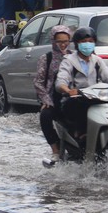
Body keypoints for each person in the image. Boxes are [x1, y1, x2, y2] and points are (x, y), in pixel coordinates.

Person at [55, 27, 108, 138]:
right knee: (79, 109)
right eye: (83, 42)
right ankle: (81, 135)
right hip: (76, 100)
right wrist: (68, 90)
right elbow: (61, 81)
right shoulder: (69, 61)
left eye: (90, 41)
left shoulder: (97, 60)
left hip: (96, 99)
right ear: (77, 44)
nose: (87, 44)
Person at [33, 25, 73, 163]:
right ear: (53, 41)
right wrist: (46, 100)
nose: (63, 44)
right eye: (59, 41)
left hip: (73, 97)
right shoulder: (46, 58)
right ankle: (55, 150)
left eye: (66, 41)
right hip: (53, 98)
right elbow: (38, 82)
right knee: (45, 116)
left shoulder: (74, 57)